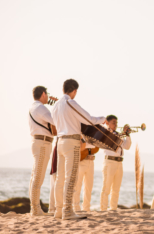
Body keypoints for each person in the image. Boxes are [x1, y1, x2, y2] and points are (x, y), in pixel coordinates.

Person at [52, 79, 106, 220]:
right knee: (71, 178)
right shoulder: (70, 102)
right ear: (74, 90)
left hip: (60, 141)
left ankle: (58, 210)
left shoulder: (56, 105)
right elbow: (87, 119)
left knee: (60, 178)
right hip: (71, 142)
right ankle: (68, 211)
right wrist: (103, 119)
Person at [28, 86, 57, 216]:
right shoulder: (41, 108)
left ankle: (34, 208)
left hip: (38, 142)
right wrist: (56, 106)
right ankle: (35, 209)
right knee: (38, 178)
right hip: (43, 143)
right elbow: (56, 120)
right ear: (43, 94)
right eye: (47, 94)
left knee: (35, 176)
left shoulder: (34, 107)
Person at [100, 115, 132, 211]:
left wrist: (127, 135)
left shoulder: (117, 134)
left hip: (119, 163)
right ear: (107, 123)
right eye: (113, 122)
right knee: (106, 188)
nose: (116, 125)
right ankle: (103, 209)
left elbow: (127, 146)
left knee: (116, 189)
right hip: (109, 162)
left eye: (116, 123)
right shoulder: (105, 133)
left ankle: (113, 208)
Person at [73, 142, 99, 212]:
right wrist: (90, 147)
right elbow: (82, 146)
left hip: (91, 161)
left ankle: (86, 208)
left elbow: (96, 148)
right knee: (77, 185)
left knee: (89, 187)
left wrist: (89, 147)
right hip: (81, 161)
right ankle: (76, 207)